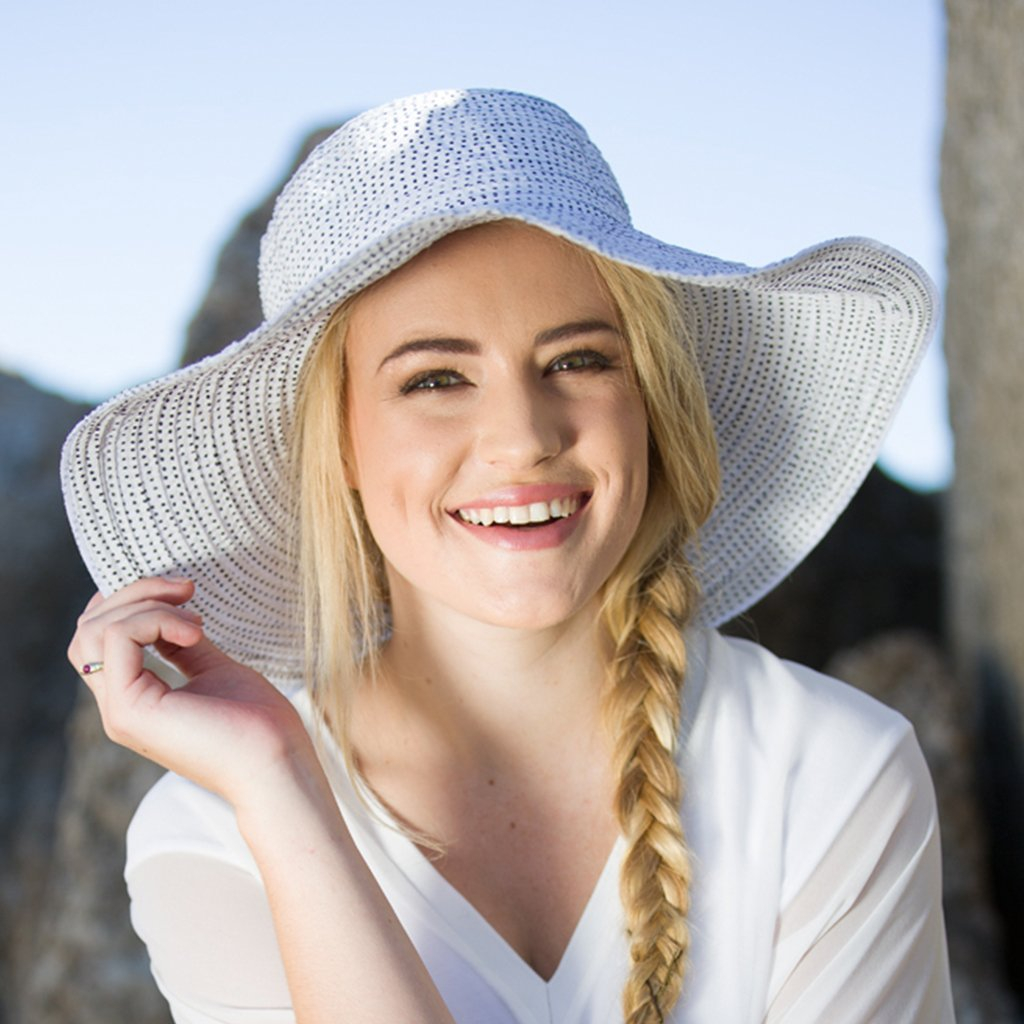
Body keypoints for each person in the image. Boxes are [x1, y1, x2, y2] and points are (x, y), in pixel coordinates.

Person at [63, 88, 954, 1023]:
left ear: (648, 403)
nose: (524, 438)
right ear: (339, 445)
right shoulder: (218, 832)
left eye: (578, 360)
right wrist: (283, 796)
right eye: (437, 378)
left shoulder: (835, 773)